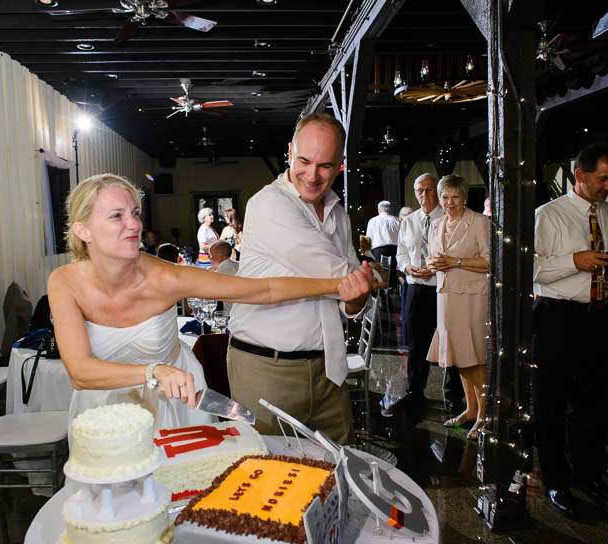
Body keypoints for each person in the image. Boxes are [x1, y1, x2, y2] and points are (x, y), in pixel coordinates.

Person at [48, 173, 377, 432]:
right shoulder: (64, 283)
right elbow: (80, 372)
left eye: (135, 213)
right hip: (101, 419)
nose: (134, 224)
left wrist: (339, 284)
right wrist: (155, 371)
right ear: (83, 230)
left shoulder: (165, 277)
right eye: (117, 216)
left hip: (176, 411)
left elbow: (263, 290)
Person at [227, 113, 377, 445]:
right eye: (304, 161)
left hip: (329, 370)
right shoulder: (268, 204)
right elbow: (339, 273)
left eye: (325, 165)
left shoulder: (338, 212)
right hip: (267, 369)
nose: (312, 175)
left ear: (341, 164)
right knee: (270, 479)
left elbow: (353, 297)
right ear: (290, 151)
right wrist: (363, 281)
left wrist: (355, 300)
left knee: (339, 471)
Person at [532, 142, 608, 516]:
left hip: (604, 317)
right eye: (602, 179)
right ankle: (556, 481)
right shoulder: (548, 215)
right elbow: (531, 268)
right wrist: (575, 261)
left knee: (595, 403)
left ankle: (588, 475)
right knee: (552, 402)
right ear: (580, 175)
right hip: (559, 315)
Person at [425, 175, 489, 440]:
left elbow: (490, 261)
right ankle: (471, 409)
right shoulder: (436, 223)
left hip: (472, 297)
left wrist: (457, 261)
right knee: (458, 356)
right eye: (444, 197)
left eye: (454, 197)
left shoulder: (480, 222)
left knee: (474, 356)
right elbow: (432, 259)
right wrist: (433, 265)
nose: (449, 203)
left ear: (464, 198)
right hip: (446, 296)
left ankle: (486, 415)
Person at [392, 173, 447, 416]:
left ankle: (455, 396)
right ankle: (415, 392)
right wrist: (408, 267)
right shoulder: (410, 221)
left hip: (443, 289)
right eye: (419, 190)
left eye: (429, 190)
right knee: (416, 343)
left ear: (437, 191)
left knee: (449, 342)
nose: (424, 195)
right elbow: (401, 253)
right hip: (415, 288)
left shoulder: (448, 219)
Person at [366, 200, 401, 287]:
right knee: (392, 276)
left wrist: (366, 256)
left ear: (379, 210)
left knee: (381, 276)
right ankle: (392, 294)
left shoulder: (372, 221)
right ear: (389, 210)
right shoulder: (397, 220)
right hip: (395, 251)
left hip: (379, 251)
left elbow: (367, 240)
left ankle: (382, 295)